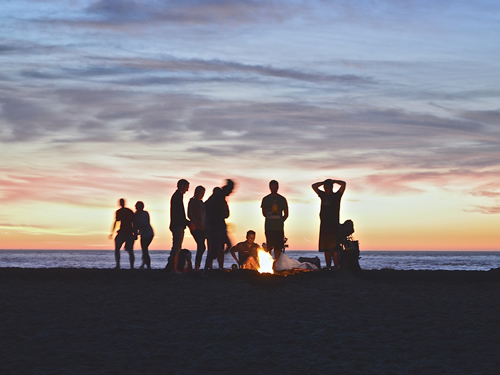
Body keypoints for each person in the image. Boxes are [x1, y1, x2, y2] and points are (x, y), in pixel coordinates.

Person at [312, 179, 346, 270]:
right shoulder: (323, 195)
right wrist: (323, 182)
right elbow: (314, 186)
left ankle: (336, 267)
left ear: (331, 187)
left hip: (333, 226)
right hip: (324, 226)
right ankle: (328, 266)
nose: (325, 189)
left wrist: (334, 181)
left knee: (335, 249)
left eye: (327, 187)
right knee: (326, 249)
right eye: (325, 187)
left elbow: (343, 184)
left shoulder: (336, 196)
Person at [202, 180, 235, 276]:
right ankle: (206, 270)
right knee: (214, 250)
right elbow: (224, 213)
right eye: (231, 190)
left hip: (218, 226)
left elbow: (226, 213)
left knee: (226, 245)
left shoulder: (221, 197)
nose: (231, 192)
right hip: (215, 226)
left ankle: (209, 267)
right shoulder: (218, 197)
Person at [261, 180, 288, 260]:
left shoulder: (282, 199)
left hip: (279, 228)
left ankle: (275, 263)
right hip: (269, 227)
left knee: (278, 247)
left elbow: (286, 214)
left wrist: (280, 221)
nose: (273, 189)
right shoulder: (265, 199)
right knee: (269, 246)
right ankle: (269, 262)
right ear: (269, 188)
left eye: (275, 187)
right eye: (272, 187)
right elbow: (264, 213)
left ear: (278, 187)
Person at [169, 179, 192, 273]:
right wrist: (188, 223)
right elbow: (179, 214)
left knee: (176, 246)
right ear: (182, 186)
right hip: (177, 225)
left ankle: (172, 267)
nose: (187, 190)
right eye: (187, 187)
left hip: (177, 224)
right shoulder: (177, 197)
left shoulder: (178, 196)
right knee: (177, 246)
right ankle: (173, 269)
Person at [109, 198, 135, 269]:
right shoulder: (121, 211)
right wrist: (112, 232)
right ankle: (119, 265)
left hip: (128, 233)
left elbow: (134, 222)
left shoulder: (128, 211)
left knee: (129, 250)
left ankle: (130, 266)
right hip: (123, 232)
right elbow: (116, 222)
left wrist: (135, 233)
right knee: (119, 249)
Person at [188, 185, 206, 271]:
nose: (202, 195)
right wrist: (197, 222)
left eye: (203, 193)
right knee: (201, 246)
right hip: (196, 227)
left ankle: (199, 266)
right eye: (201, 193)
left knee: (202, 246)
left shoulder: (202, 203)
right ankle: (197, 266)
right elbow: (190, 214)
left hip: (203, 228)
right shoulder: (192, 201)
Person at [134, 201, 154, 269]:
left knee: (145, 249)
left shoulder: (145, 213)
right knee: (144, 249)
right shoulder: (136, 215)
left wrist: (137, 233)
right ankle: (143, 264)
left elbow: (145, 224)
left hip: (148, 233)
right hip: (143, 234)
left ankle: (148, 266)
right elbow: (135, 225)